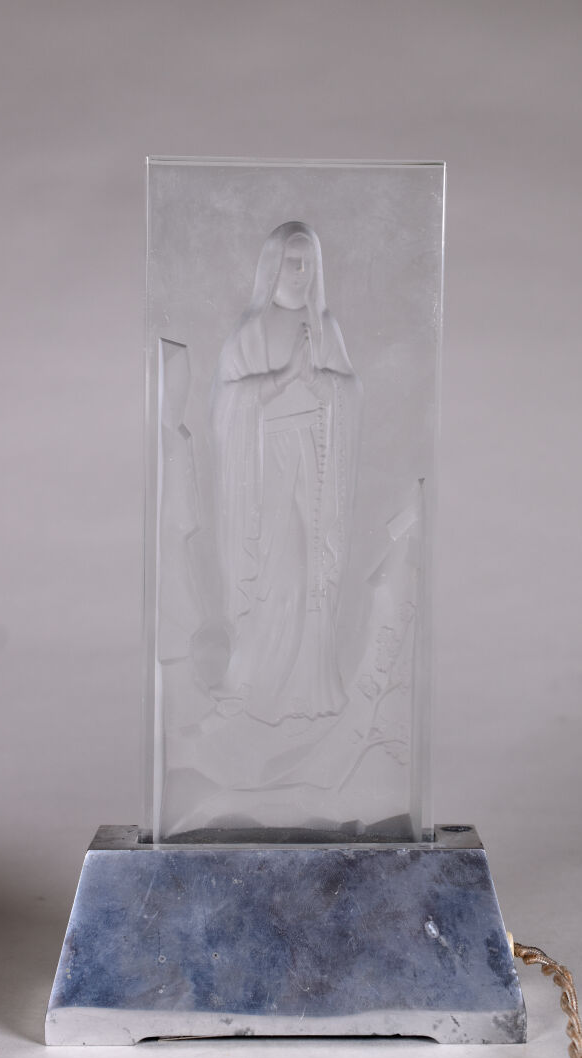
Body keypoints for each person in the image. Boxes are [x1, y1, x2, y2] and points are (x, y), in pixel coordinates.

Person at [211, 221, 362, 726]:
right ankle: (263, 689)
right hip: (266, 468)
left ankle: (305, 692)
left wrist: (316, 381)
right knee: (280, 579)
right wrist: (282, 379)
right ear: (272, 266)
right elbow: (227, 405)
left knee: (311, 576)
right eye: (292, 262)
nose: (301, 273)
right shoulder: (250, 332)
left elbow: (348, 393)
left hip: (312, 463)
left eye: (309, 263)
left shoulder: (325, 328)